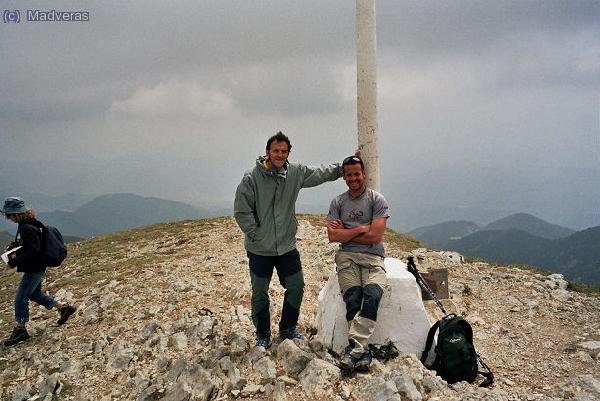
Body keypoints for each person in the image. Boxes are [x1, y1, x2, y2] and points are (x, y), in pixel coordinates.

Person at [234, 131, 348, 348]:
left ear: (288, 153)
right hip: (259, 249)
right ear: (267, 151)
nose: (279, 154)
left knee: (296, 285)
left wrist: (345, 167)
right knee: (260, 292)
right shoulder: (251, 178)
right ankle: (263, 334)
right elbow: (241, 211)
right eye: (275, 150)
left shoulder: (296, 173)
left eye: (283, 151)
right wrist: (257, 234)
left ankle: (288, 328)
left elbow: (321, 173)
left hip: (286, 246)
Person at [326, 155, 390, 371]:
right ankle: (362, 352)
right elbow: (333, 237)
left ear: (364, 174)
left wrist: (346, 232)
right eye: (349, 175)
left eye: (356, 174)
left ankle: (355, 350)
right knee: (353, 298)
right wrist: (361, 228)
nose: (353, 178)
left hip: (374, 258)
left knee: (372, 295)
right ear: (344, 177)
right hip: (347, 258)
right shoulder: (338, 202)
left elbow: (375, 237)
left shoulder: (377, 200)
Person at [1, 196, 76, 347]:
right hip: (36, 267)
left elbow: (34, 250)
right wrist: (15, 245)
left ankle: (20, 329)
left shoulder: (26, 227)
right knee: (35, 294)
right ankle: (64, 308)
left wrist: (14, 261)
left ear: (15, 214)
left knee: (20, 298)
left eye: (9, 215)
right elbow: (31, 244)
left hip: (34, 268)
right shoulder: (28, 222)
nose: (8, 218)